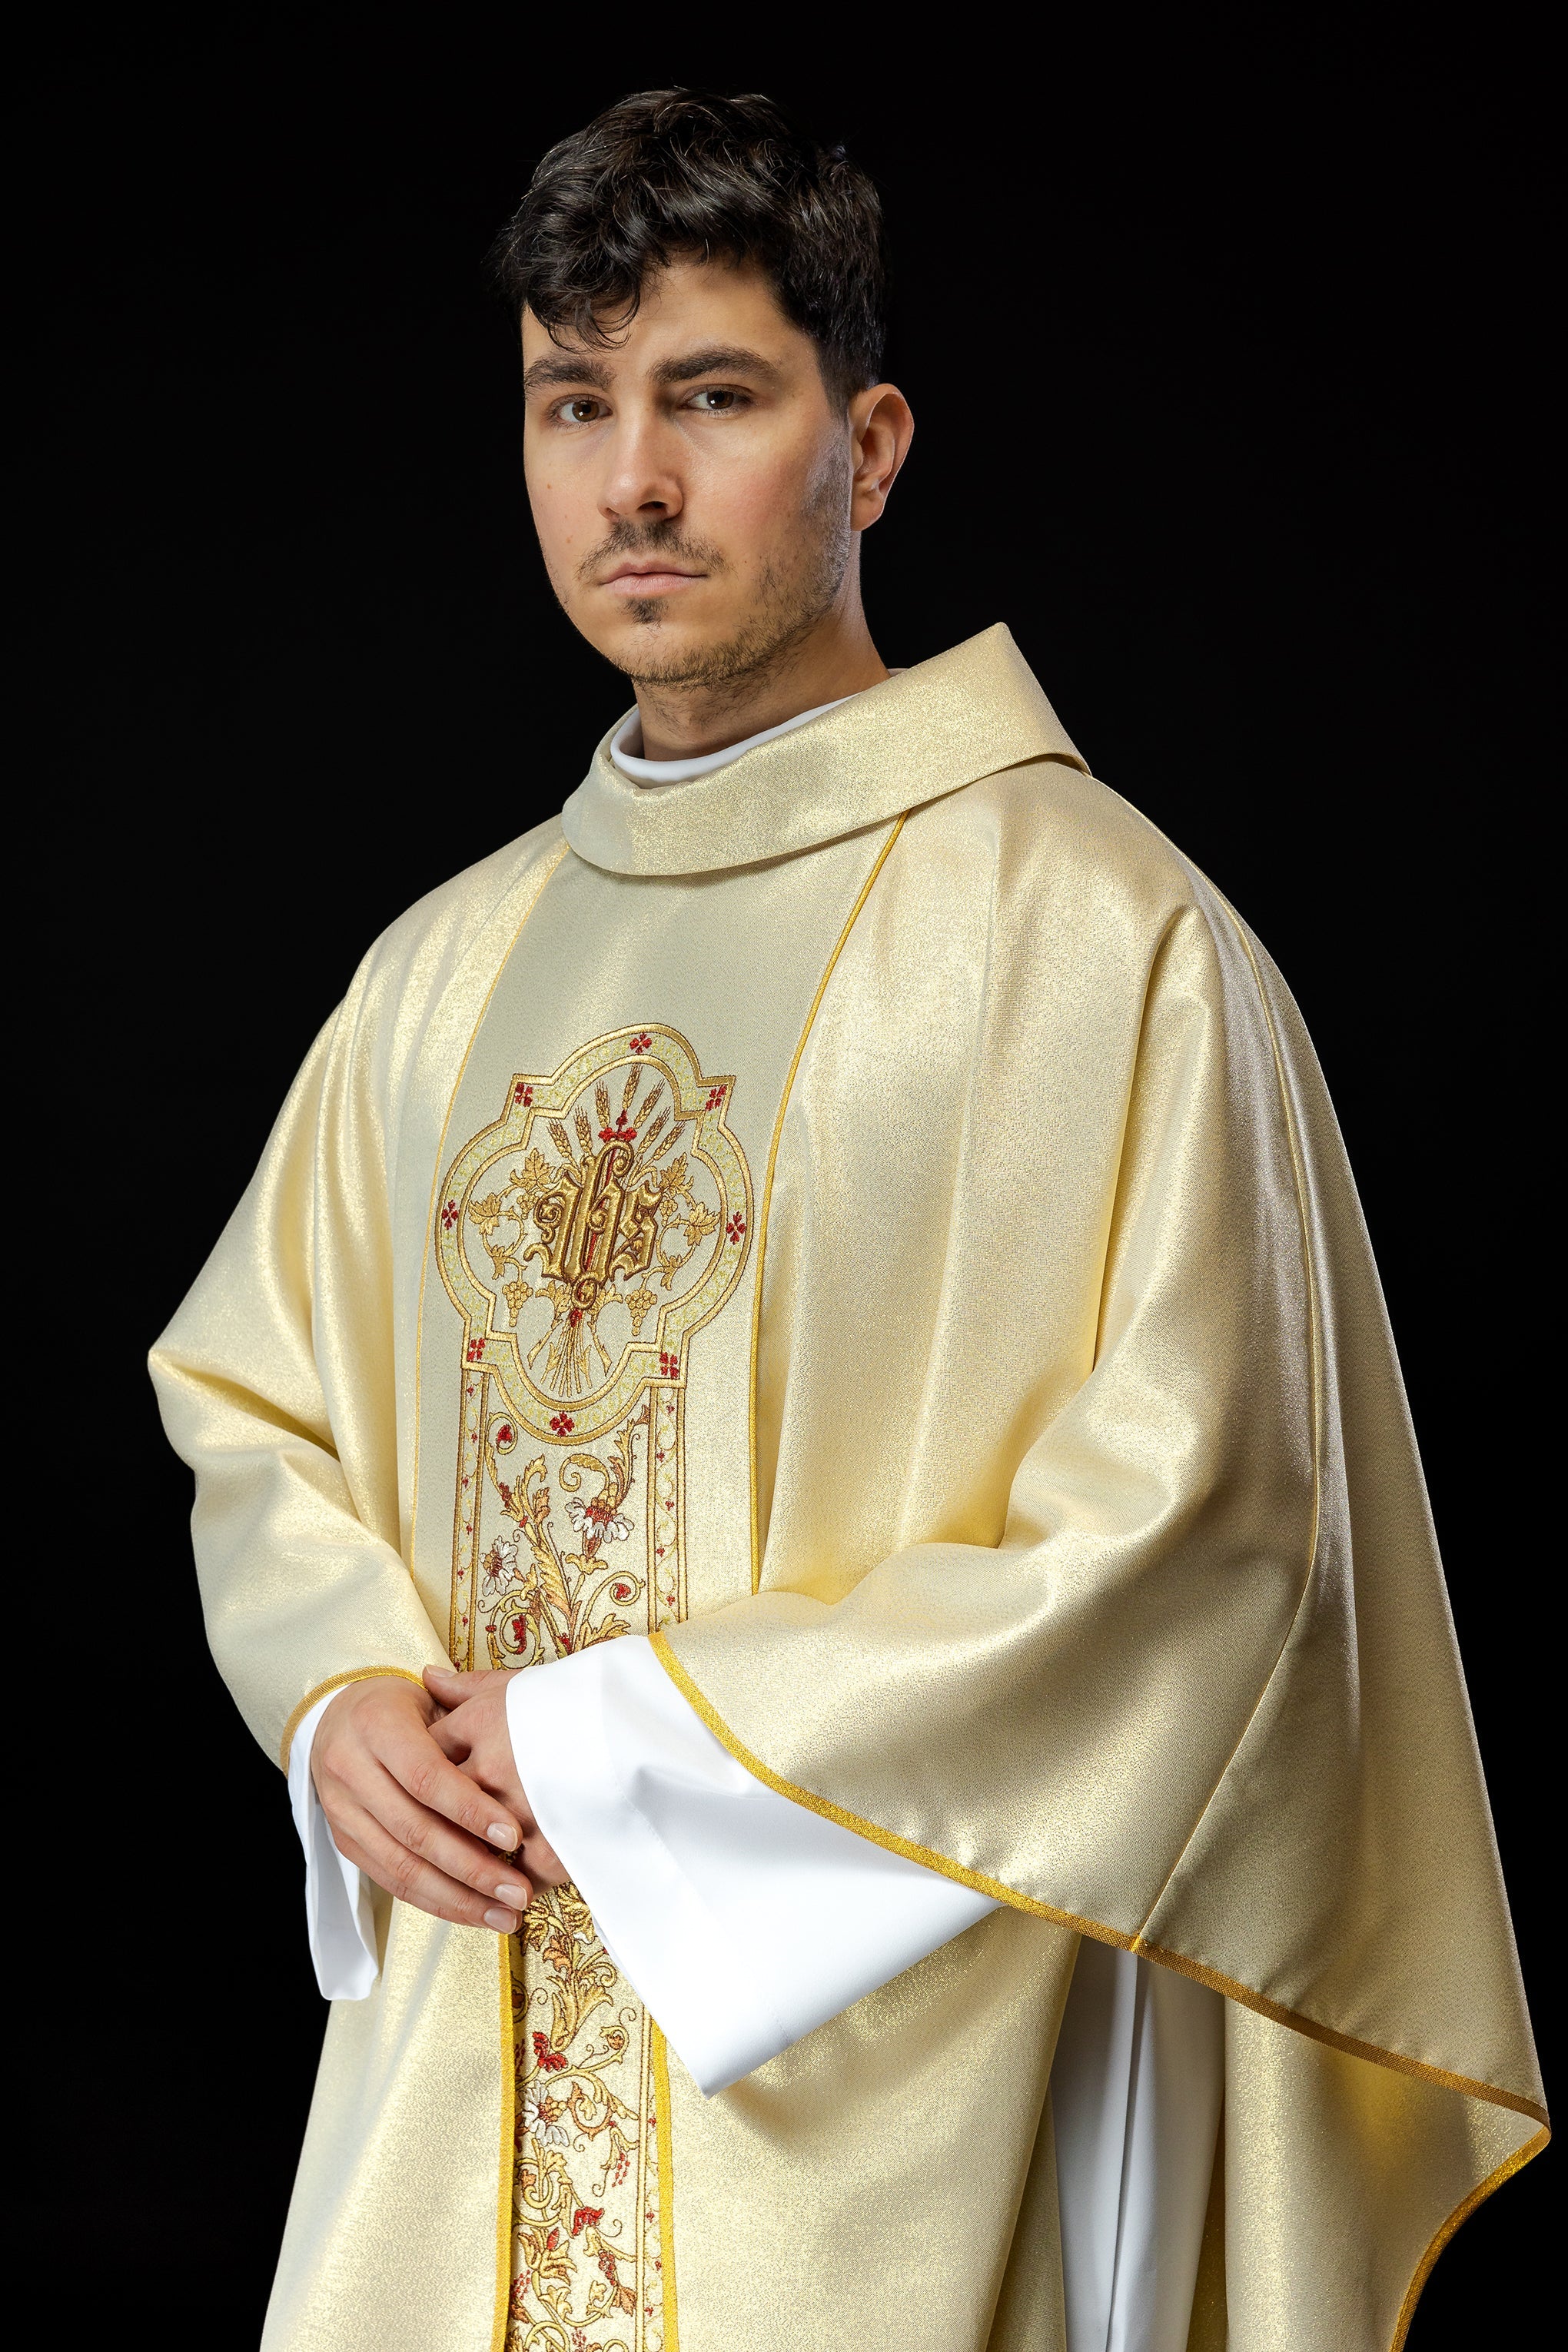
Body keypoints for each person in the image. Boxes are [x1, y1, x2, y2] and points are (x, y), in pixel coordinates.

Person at [150, 88, 1544, 2352]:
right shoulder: (442, 976)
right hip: (469, 2058)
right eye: (570, 406)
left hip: (924, 2088)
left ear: (873, 442)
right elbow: (252, 1394)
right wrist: (331, 1708)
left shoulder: (1104, 945)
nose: (634, 484)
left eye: (713, 396)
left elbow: (1204, 1539)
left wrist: (637, 1748)